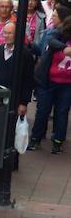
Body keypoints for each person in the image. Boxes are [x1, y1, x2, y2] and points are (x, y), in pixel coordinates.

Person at [29, 15, 71, 154]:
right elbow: (50, 40)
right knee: (43, 111)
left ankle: (58, 141)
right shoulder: (57, 34)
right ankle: (36, 138)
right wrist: (64, 48)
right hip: (48, 81)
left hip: (67, 84)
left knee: (62, 112)